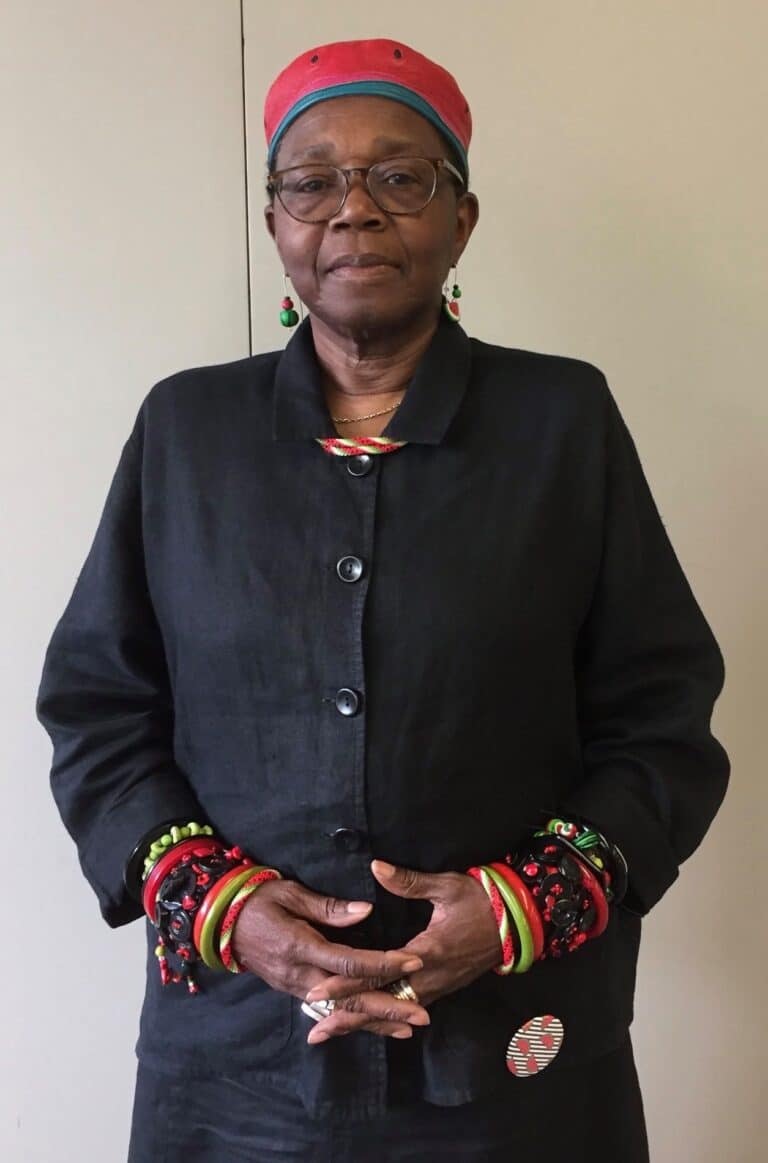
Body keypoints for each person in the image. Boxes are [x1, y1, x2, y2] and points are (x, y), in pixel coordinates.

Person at [36, 37, 730, 1162]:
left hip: (519, 1055)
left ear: (460, 218)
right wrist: (225, 908)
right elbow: (101, 709)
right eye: (313, 181)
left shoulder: (562, 424)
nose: (353, 210)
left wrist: (518, 907)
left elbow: (660, 722)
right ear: (278, 228)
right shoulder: (187, 433)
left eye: (400, 177)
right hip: (238, 1058)